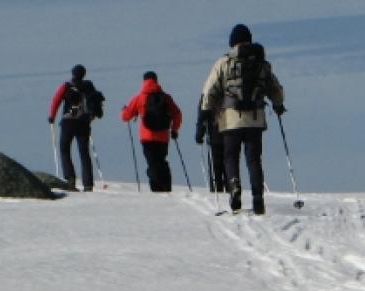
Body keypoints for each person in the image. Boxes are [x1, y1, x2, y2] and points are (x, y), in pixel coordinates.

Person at [201, 24, 285, 214]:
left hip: (230, 119)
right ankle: (257, 197)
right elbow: (275, 89)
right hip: (255, 119)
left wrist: (206, 110)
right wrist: (278, 105)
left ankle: (235, 189)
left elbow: (210, 88)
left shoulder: (223, 62)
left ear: (233, 42)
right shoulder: (262, 63)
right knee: (254, 159)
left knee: (231, 157)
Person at [120, 71, 183, 192]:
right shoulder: (166, 97)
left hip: (147, 137)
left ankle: (157, 189)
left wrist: (124, 110)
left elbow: (125, 116)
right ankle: (166, 187)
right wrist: (174, 129)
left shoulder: (140, 97)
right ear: (156, 80)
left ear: (144, 81)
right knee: (162, 161)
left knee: (152, 163)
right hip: (163, 137)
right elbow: (177, 114)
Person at [48, 64, 104, 192]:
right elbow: (95, 103)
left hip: (68, 122)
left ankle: (70, 179)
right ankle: (88, 184)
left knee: (64, 149)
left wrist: (52, 117)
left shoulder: (66, 86)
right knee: (84, 153)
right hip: (84, 123)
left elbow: (55, 101)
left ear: (73, 73)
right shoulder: (89, 87)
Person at [193, 97, 227, 193]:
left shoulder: (208, 95)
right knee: (230, 167)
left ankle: (217, 192)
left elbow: (202, 117)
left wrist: (199, 135)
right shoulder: (229, 91)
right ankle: (232, 193)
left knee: (215, 170)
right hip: (230, 136)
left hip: (214, 137)